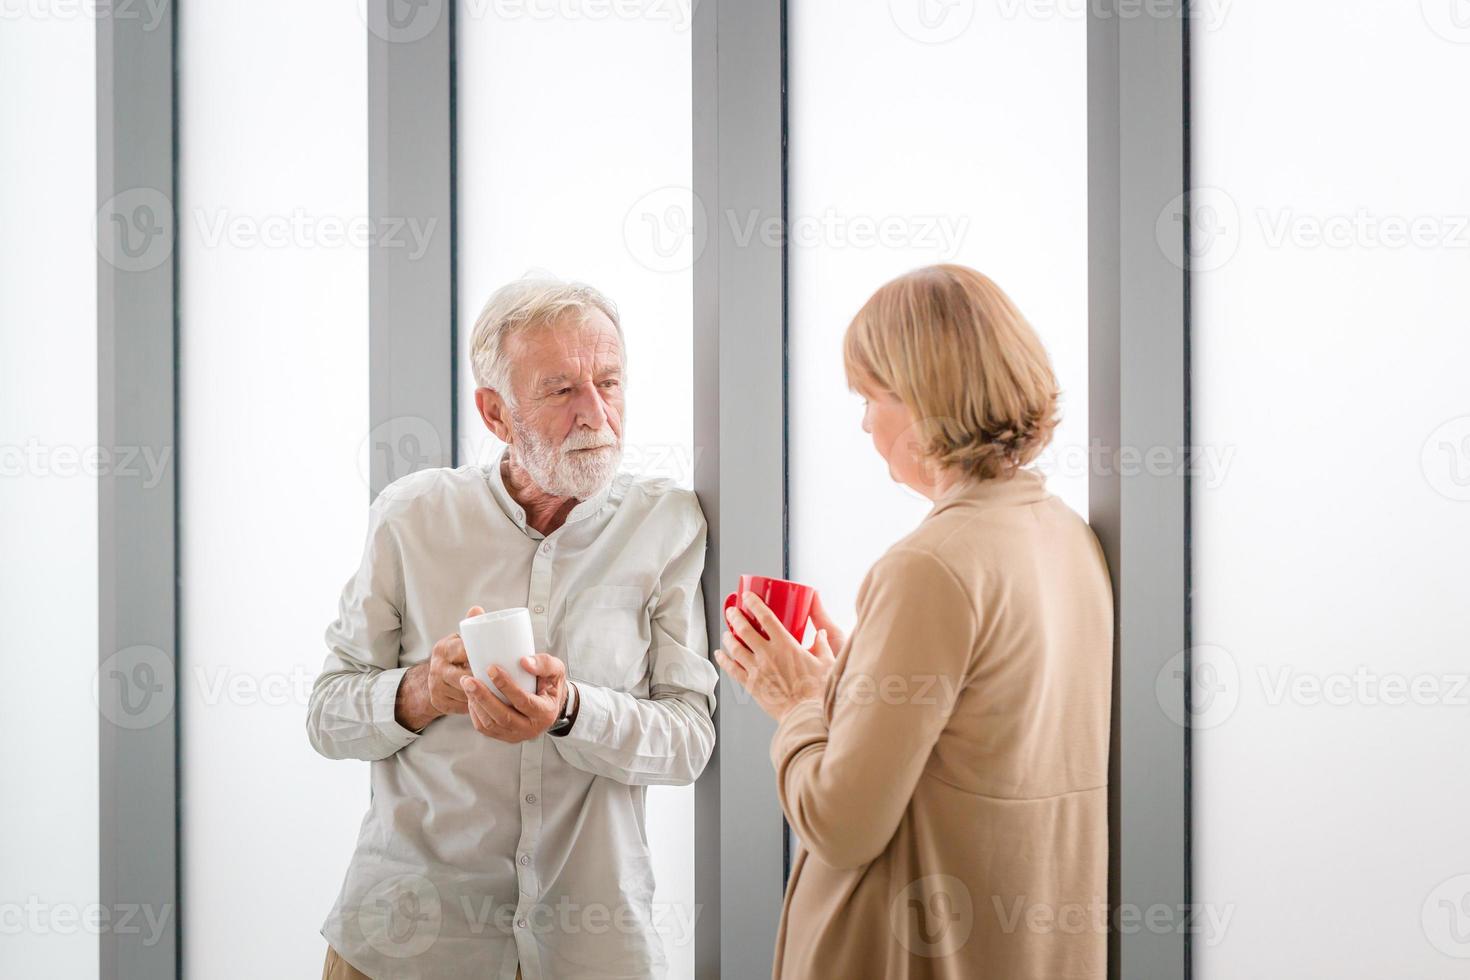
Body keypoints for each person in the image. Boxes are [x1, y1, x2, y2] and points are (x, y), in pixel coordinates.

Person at [308, 277, 717, 979]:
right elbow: (327, 713)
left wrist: (571, 712)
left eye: (609, 384)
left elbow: (689, 740)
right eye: (562, 391)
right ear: (495, 413)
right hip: (406, 945)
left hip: (591, 951)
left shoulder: (666, 524)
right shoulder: (413, 515)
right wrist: (423, 693)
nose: (597, 415)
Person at [717, 264, 1113, 979]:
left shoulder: (929, 566)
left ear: (925, 398)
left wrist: (798, 703)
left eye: (871, 397)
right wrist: (850, 688)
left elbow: (842, 824)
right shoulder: (1064, 535)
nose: (867, 422)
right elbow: (978, 740)